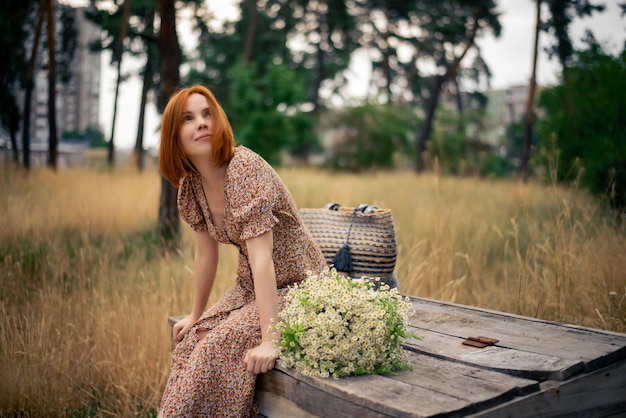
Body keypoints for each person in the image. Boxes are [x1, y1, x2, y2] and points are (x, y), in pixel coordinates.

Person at [158, 85, 326, 417]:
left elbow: (263, 260)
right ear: (173, 136)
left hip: (299, 286)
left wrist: (270, 339)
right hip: (250, 287)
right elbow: (206, 256)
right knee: (192, 341)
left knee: (217, 347)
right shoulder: (191, 188)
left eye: (207, 114)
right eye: (189, 119)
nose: (202, 123)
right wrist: (195, 315)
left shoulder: (244, 168)